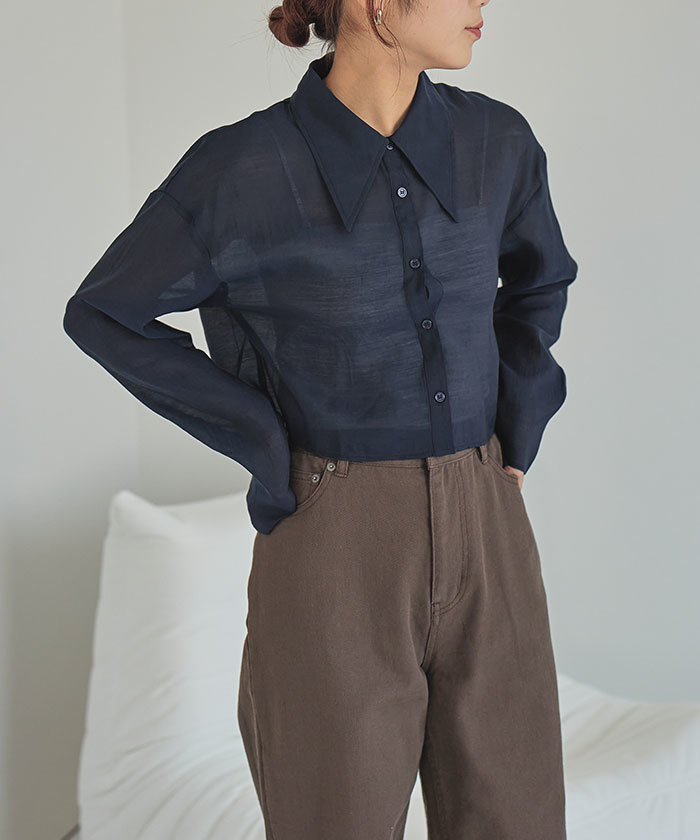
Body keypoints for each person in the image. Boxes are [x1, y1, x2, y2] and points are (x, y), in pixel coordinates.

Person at [63, 0, 578, 836]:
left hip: (491, 529)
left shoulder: (498, 143)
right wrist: (264, 441)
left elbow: (539, 281)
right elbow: (105, 312)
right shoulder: (241, 169)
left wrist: (514, 435)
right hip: (333, 540)